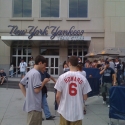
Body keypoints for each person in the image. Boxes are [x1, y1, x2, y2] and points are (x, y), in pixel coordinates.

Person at [54, 56, 91, 125]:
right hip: (77, 111)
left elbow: (57, 96)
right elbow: (85, 97)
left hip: (64, 110)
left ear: (69, 63)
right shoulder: (83, 78)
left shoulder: (62, 77)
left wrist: (60, 105)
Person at [19, 55, 50, 125]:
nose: (44, 67)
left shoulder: (30, 72)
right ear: (40, 63)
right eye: (44, 65)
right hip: (35, 106)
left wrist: (27, 96)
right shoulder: (36, 73)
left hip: (30, 104)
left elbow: (21, 84)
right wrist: (44, 82)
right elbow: (37, 90)